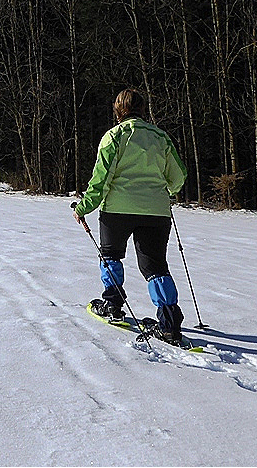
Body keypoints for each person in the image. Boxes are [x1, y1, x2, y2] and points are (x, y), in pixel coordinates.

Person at [72, 88, 188, 345]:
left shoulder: (114, 136)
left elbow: (101, 179)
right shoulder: (161, 138)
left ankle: (112, 305)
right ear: (142, 109)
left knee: (111, 255)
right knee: (155, 266)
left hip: (118, 209)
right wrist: (167, 191)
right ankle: (169, 323)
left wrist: (83, 208)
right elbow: (178, 176)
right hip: (156, 212)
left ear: (118, 110)